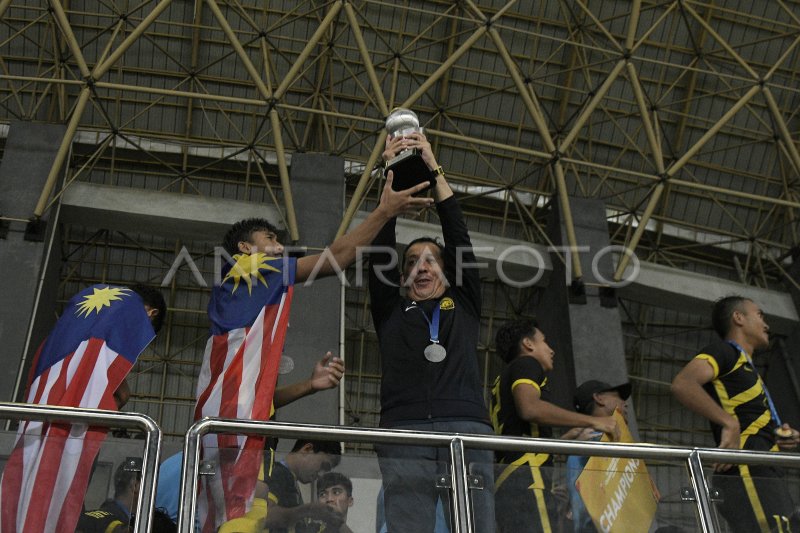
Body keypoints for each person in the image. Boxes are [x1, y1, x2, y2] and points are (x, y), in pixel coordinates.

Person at [195, 176, 433, 530]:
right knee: (236, 520)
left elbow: (255, 397)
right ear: (246, 248)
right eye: (271, 239)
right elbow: (337, 257)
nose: (279, 248)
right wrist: (385, 211)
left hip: (229, 419)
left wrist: (309, 384)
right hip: (230, 426)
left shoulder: (247, 300)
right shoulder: (254, 269)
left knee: (225, 518)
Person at [368, 131, 495, 532]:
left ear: (446, 269)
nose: (422, 267)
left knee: (475, 526)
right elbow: (378, 245)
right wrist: (388, 177)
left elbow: (458, 234)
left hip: (467, 426)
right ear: (403, 273)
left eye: (431, 260)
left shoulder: (464, 301)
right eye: (413, 262)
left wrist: (434, 168)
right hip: (403, 429)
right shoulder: (391, 308)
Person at [671, 296, 799, 533]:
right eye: (760, 315)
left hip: (761, 468)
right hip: (746, 469)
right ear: (738, 318)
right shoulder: (726, 352)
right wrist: (728, 423)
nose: (767, 324)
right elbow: (683, 383)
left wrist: (778, 436)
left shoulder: (745, 366)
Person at [490, 318, 619, 533]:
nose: (551, 350)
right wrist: (594, 420)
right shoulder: (527, 364)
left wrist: (562, 441)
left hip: (510, 478)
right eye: (544, 342)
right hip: (528, 476)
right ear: (528, 344)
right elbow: (529, 408)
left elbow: (519, 430)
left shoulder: (501, 378)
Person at [565, 380, 631, 533]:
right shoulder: (592, 438)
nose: (625, 403)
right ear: (599, 399)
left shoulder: (592, 439)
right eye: (619, 397)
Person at [261, 439, 345, 533]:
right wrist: (308, 510)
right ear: (307, 449)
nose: (321, 474)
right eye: (323, 465)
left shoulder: (291, 480)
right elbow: (265, 516)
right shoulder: (279, 473)